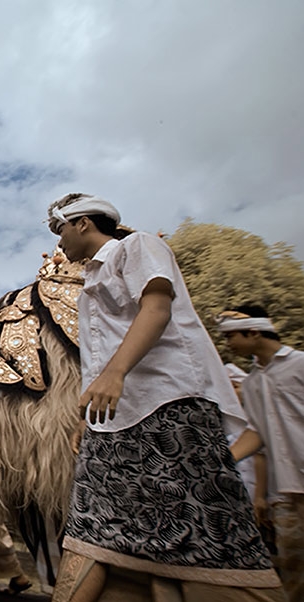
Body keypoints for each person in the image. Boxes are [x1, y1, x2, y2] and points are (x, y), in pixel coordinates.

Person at [46, 193, 283, 601]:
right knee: (93, 528)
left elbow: (156, 309)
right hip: (112, 421)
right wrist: (89, 418)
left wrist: (116, 373)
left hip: (170, 408)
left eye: (60, 229)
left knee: (206, 532)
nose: (58, 240)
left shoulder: (137, 247)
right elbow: (102, 353)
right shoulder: (88, 287)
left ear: (83, 222)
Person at [221, 306, 304, 601]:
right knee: (292, 568)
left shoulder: (300, 365)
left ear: (254, 332)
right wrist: (220, 463)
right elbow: (256, 433)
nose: (228, 344)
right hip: (286, 493)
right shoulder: (253, 382)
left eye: (231, 336)